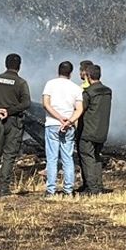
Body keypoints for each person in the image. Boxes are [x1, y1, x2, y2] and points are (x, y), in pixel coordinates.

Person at [0, 53, 31, 198]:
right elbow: (26, 103)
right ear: (19, 66)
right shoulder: (21, 83)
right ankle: (4, 189)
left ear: (5, 64)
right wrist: (9, 111)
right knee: (9, 156)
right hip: (14, 123)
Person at [41, 61, 83, 196]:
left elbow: (46, 104)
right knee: (67, 158)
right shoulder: (76, 88)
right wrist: (69, 121)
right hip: (69, 127)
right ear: (70, 73)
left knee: (52, 158)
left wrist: (59, 118)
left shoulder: (50, 84)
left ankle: (51, 190)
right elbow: (79, 109)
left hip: (52, 124)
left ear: (58, 71)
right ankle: (68, 190)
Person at [79, 64, 112, 195]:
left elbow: (80, 109)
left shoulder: (88, 93)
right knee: (97, 157)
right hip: (102, 131)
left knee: (87, 158)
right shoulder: (107, 91)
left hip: (88, 131)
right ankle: (98, 185)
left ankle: (92, 188)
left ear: (88, 76)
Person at [75, 59, 95, 192]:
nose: (79, 74)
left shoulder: (84, 88)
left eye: (80, 71)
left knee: (85, 157)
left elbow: (79, 108)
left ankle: (89, 185)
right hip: (94, 126)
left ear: (84, 71)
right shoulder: (97, 87)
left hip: (84, 126)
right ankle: (89, 183)